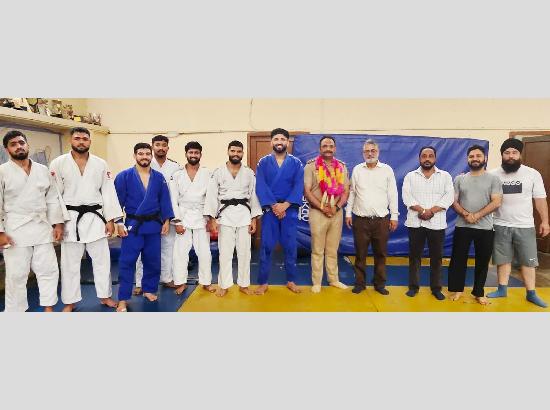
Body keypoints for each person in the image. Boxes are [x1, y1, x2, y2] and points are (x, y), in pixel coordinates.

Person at [50, 127, 123, 312]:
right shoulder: (58, 163)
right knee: (70, 264)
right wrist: (58, 222)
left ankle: (105, 296)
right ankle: (70, 301)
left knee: (102, 261)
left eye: (85, 138)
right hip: (70, 219)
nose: (81, 141)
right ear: (71, 141)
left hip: (96, 217)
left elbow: (108, 191)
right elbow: (54, 195)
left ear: (90, 141)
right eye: (77, 138)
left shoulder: (100, 164)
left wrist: (110, 219)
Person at [0, 130, 66, 312]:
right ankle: (15, 313)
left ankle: (48, 308)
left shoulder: (42, 170)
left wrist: (58, 223)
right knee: (16, 275)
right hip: (15, 229)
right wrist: (0, 232)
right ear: (7, 149)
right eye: (13, 144)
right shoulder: (2, 171)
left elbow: (52, 199)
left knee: (49, 270)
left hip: (41, 227)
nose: (19, 146)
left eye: (21, 142)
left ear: (27, 145)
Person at [486, 138, 549, 307]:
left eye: (514, 152)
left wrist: (545, 221)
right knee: (503, 259)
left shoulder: (532, 174)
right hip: (500, 224)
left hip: (525, 226)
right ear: (502, 155)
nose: (510, 156)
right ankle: (502, 289)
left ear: (520, 154)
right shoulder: (492, 174)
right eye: (507, 153)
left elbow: (540, 199)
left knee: (528, 261)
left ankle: (531, 293)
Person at [114, 143, 175, 312]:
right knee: (127, 262)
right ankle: (123, 298)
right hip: (133, 226)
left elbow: (164, 200)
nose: (144, 157)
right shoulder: (124, 176)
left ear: (151, 156)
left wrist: (166, 220)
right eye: (140, 154)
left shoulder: (159, 177)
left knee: (152, 260)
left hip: (153, 225)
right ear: (135, 155)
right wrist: (119, 222)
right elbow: (116, 201)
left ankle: (148, 289)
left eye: (147, 154)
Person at [204, 140, 262, 297]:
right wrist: (212, 219)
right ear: (228, 151)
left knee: (245, 253)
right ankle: (224, 285)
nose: (236, 154)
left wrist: (254, 219)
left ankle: (244, 284)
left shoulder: (249, 173)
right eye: (233, 151)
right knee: (225, 252)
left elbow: (254, 195)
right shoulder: (218, 172)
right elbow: (211, 196)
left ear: (242, 153)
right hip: (225, 215)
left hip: (244, 215)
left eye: (239, 151)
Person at [447, 144, 502, 305]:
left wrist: (476, 215)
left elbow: (497, 202)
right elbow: (453, 201)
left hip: (485, 227)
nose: (475, 159)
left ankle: (478, 292)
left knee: (482, 262)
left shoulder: (493, 179)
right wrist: (466, 215)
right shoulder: (459, 179)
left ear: (485, 158)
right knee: (458, 260)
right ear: (467, 159)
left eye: (478, 156)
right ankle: (457, 290)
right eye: (471, 156)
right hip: (462, 226)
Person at [345, 139, 399, 295]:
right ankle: (360, 283)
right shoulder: (357, 170)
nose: (370, 154)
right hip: (360, 220)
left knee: (381, 254)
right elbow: (352, 192)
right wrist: (348, 213)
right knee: (360, 254)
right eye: (367, 151)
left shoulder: (387, 170)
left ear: (378, 152)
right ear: (363, 153)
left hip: (381, 220)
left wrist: (394, 216)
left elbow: (393, 194)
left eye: (373, 151)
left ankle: (379, 284)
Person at [255, 128, 304, 295]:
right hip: (271, 210)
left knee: (290, 246)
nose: (279, 142)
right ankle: (263, 282)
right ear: (271, 142)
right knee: (266, 246)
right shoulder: (263, 162)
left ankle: (291, 280)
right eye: (276, 139)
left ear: (287, 142)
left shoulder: (296, 163)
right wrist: (274, 205)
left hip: (289, 209)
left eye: (283, 139)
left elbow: (299, 185)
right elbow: (261, 185)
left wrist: (286, 204)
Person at [402, 146, 454, 300]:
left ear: (435, 158)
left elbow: (449, 197)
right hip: (415, 223)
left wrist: (431, 211)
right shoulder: (410, 176)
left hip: (437, 223)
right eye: (424, 156)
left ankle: (436, 288)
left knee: (436, 258)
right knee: (414, 256)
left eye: (430, 156)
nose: (427, 159)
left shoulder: (445, 176)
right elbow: (407, 197)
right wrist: (422, 210)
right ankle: (413, 287)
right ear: (419, 158)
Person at [134, 135, 182, 294]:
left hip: (168, 213)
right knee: (143, 249)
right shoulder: (145, 163)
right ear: (152, 146)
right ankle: (140, 282)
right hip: (148, 213)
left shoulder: (175, 167)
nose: (161, 148)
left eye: (164, 145)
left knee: (168, 247)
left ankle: (167, 278)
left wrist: (172, 217)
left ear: (168, 148)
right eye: (157, 145)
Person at [303, 136, 350, 293]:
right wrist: (323, 208)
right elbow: (307, 191)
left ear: (335, 148)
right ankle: (317, 282)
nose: (328, 148)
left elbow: (346, 191)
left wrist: (336, 207)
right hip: (318, 212)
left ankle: (333, 279)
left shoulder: (342, 167)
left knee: (332, 249)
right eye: (325, 146)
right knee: (317, 250)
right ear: (320, 149)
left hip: (336, 212)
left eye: (331, 146)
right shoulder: (311, 166)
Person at [170, 141, 214, 295]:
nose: (193, 155)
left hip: (202, 215)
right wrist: (177, 221)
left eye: (196, 152)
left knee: (204, 252)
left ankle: (206, 282)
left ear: (200, 154)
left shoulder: (208, 173)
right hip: (183, 215)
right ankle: (180, 282)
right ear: (186, 154)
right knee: (180, 252)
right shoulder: (177, 174)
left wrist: (211, 218)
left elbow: (211, 197)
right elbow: (173, 199)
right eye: (191, 152)